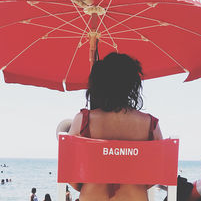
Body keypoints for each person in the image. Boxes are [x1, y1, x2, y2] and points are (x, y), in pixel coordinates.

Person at [68, 52, 163, 201]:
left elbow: (71, 176)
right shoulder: (150, 125)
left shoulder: (82, 121)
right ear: (131, 84)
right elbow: (155, 175)